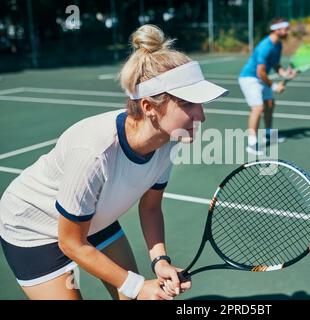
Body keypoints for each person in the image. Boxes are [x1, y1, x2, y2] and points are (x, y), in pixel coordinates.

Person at [0, 24, 228, 300]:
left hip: (92, 215)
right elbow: (71, 242)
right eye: (188, 104)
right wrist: (136, 285)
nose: (201, 116)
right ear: (148, 107)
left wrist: (160, 261)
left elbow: (151, 208)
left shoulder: (168, 142)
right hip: (33, 227)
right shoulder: (94, 150)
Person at [238, 18, 297, 156]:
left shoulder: (278, 45)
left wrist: (285, 73)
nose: (287, 31)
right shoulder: (265, 46)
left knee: (270, 103)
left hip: (260, 78)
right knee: (258, 108)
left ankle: (269, 134)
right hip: (250, 78)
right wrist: (275, 86)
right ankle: (252, 143)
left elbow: (275, 64)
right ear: (276, 30)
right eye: (285, 28)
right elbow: (260, 72)